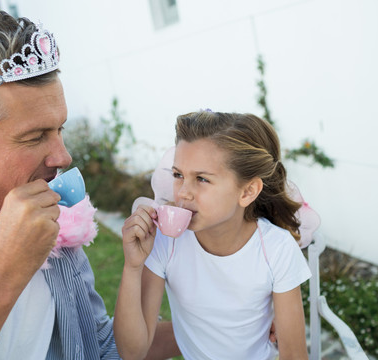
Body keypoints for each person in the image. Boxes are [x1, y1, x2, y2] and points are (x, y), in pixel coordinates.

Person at [0, 10, 178, 359]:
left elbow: (97, 344)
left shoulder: (54, 220)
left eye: (59, 129)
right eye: (34, 137)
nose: (63, 157)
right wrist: (3, 270)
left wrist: (226, 324)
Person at [114, 111, 311, 359]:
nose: (183, 192)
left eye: (202, 179)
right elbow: (132, 352)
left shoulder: (276, 249)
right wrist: (133, 266)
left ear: (248, 191)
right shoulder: (165, 242)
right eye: (178, 175)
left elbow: (294, 356)